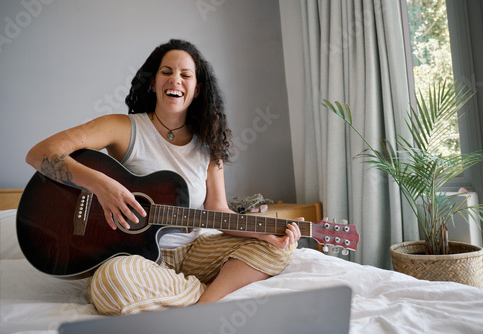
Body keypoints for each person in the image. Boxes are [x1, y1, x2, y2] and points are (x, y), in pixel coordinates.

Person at [26, 39, 301, 315]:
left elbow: (218, 210)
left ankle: (203, 304)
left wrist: (265, 233)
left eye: (185, 75)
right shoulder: (122, 127)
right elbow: (40, 153)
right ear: (153, 82)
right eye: (166, 72)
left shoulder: (209, 144)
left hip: (196, 252)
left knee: (282, 247)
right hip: (135, 258)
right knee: (110, 284)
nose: (175, 80)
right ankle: (210, 293)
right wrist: (101, 184)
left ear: (196, 90)